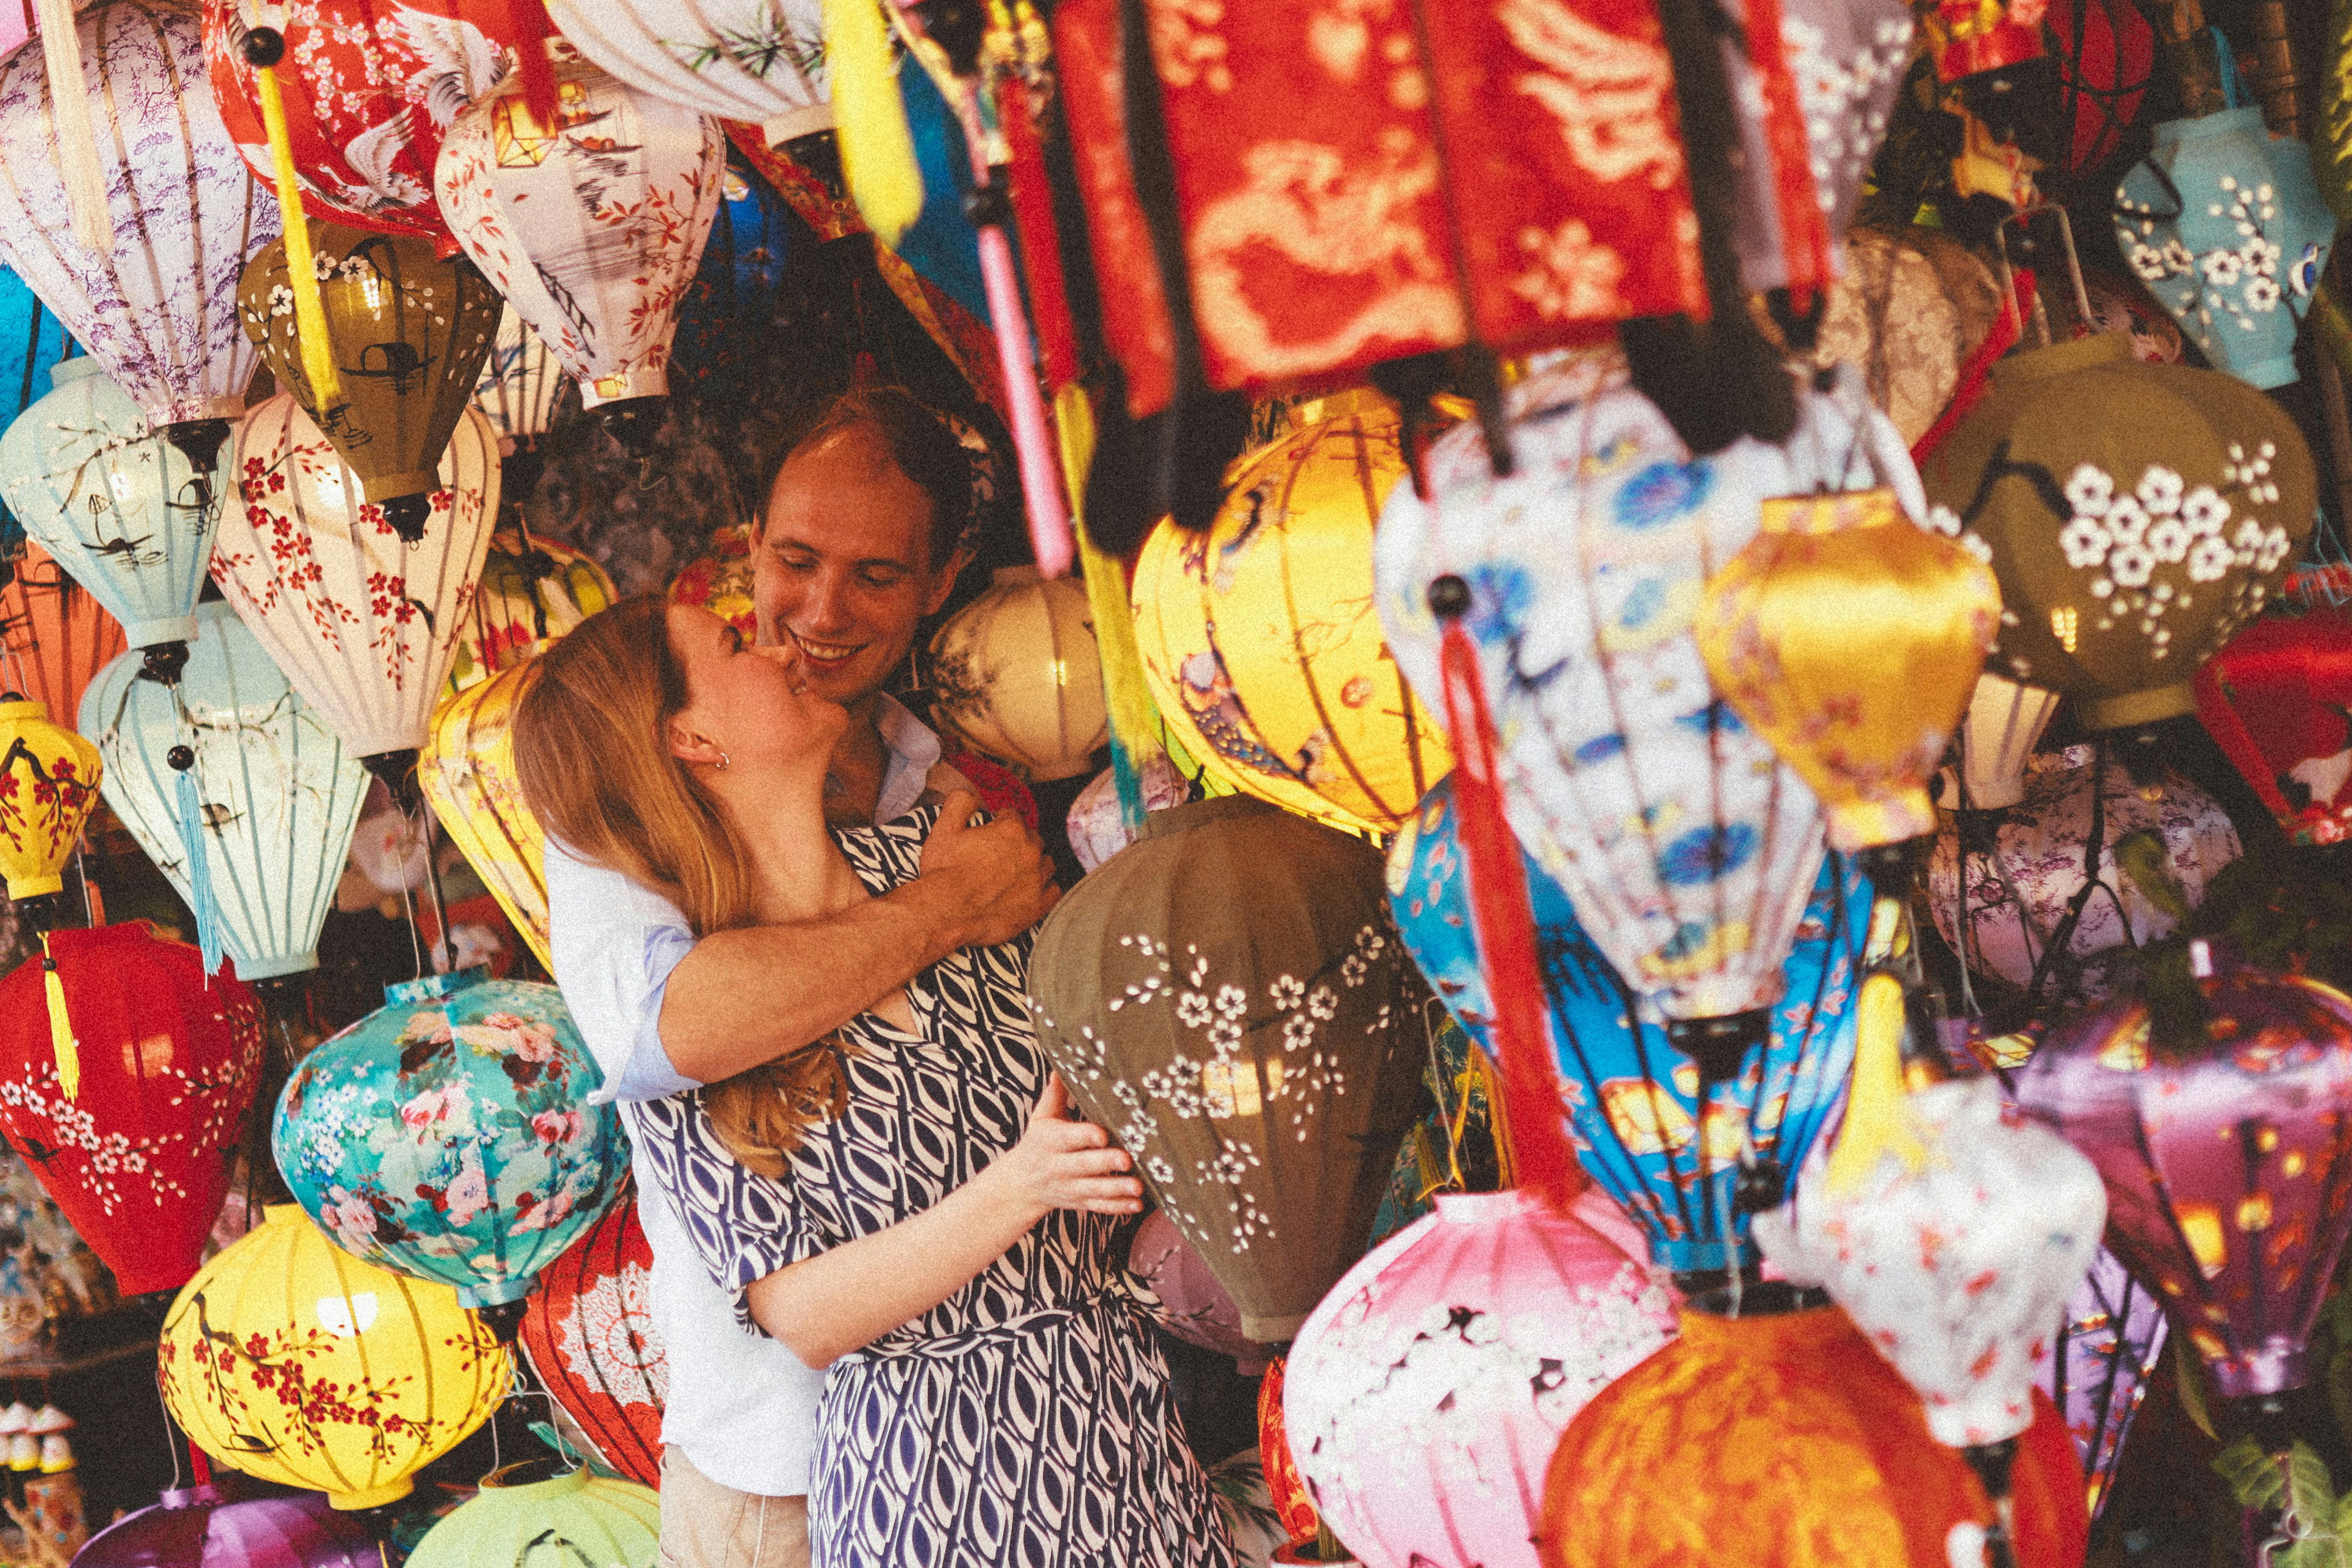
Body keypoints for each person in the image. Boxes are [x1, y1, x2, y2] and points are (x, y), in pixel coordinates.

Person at [515, 595, 1234, 1568]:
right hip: (932, 1471)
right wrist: (1020, 1188)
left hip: (1117, 1410)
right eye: (736, 645)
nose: (782, 645)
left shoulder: (945, 868)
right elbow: (801, 1317)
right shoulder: (703, 1005)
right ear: (692, 738)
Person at [542, 391, 1060, 1568]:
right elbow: (668, 1032)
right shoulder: (628, 811)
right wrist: (940, 911)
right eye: (793, 560)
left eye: (877, 573)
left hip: (1015, 1433)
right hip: (780, 1459)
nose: (819, 614)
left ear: (943, 582)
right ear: (750, 538)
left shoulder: (949, 771)